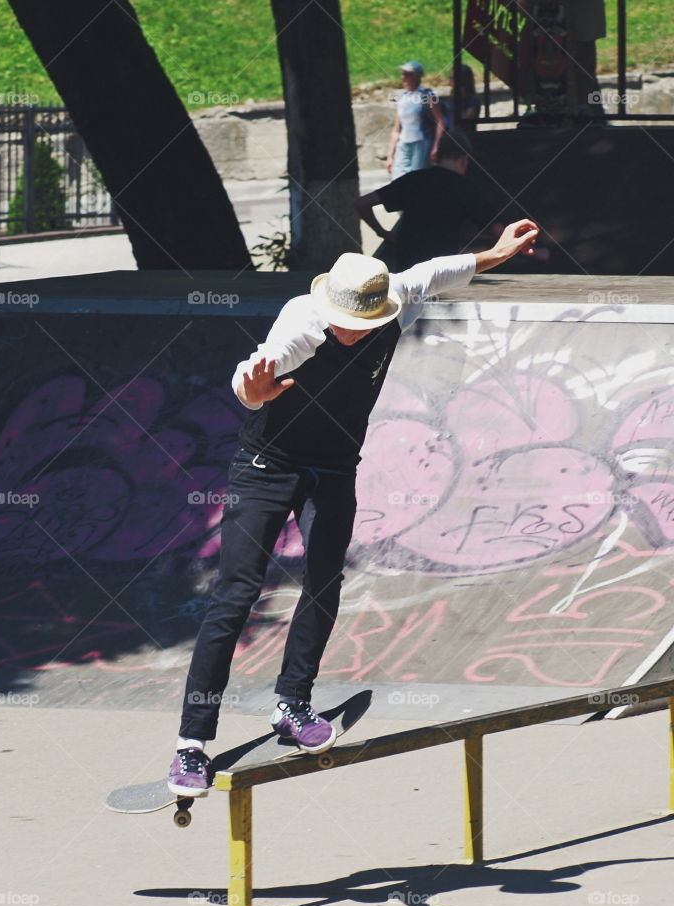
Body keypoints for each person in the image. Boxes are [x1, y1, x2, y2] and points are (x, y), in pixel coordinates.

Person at [168, 218, 541, 797]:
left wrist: (495, 253)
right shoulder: (301, 324)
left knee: (323, 582)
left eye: (363, 326)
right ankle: (192, 743)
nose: (353, 335)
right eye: (345, 327)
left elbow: (439, 272)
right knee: (236, 593)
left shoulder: (394, 300)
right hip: (267, 465)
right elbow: (252, 371)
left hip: (334, 468)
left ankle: (292, 705)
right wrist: (255, 393)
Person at [356, 132, 501, 272]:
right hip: (443, 269)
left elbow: (362, 203)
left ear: (436, 156)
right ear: (465, 160)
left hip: (408, 265)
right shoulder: (466, 188)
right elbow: (497, 231)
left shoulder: (413, 179)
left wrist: (384, 234)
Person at [386, 60, 444, 180]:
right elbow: (397, 129)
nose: (404, 77)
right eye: (403, 74)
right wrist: (390, 155)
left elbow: (440, 121)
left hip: (421, 143)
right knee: (397, 179)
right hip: (403, 144)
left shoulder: (427, 96)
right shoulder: (402, 98)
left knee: (417, 179)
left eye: (408, 74)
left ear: (417, 76)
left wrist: (436, 146)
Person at [441, 63, 481, 134]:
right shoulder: (451, 99)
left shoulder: (473, 99)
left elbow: (466, 120)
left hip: (467, 138)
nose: (450, 81)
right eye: (450, 78)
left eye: (453, 78)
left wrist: (460, 97)